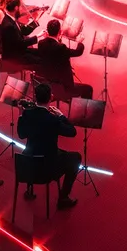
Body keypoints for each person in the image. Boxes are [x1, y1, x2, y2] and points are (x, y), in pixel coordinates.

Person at [15, 81, 81, 209]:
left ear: (35, 97)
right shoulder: (53, 120)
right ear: (51, 97)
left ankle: (29, 190)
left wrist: (21, 114)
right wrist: (61, 116)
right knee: (75, 157)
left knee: (35, 149)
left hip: (27, 166)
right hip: (47, 169)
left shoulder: (27, 114)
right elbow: (72, 132)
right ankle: (63, 198)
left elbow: (21, 134)